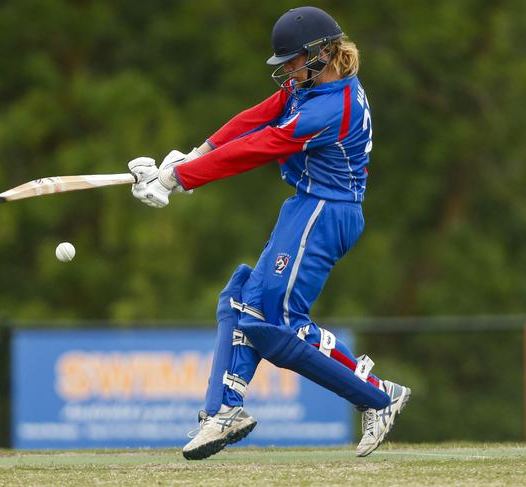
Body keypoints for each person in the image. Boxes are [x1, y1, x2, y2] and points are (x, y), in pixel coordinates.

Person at [127, 6, 411, 460]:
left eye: (294, 62)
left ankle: (378, 395)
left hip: (327, 212)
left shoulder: (330, 107)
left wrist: (181, 180)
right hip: (306, 205)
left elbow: (264, 145)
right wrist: (193, 156)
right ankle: (223, 411)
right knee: (238, 298)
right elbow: (255, 117)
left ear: (323, 53)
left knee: (273, 324)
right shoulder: (311, 86)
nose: (288, 73)